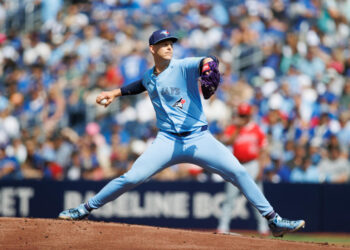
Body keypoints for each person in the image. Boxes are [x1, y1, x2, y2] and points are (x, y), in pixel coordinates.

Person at [58, 29, 305, 237]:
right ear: (152, 49)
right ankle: (83, 209)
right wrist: (114, 93)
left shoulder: (183, 66)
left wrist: (209, 66)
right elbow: (139, 85)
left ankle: (273, 220)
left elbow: (206, 61)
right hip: (167, 141)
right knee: (132, 178)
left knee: (239, 171)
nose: (168, 47)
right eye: (162, 44)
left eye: (170, 43)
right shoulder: (149, 76)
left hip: (199, 139)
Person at [217, 103, 269, 235]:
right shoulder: (233, 128)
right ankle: (223, 226)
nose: (243, 117)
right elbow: (227, 142)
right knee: (229, 198)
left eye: (245, 115)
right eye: (241, 115)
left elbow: (263, 150)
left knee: (257, 197)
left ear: (249, 115)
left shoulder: (256, 129)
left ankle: (263, 228)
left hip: (253, 164)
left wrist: (261, 168)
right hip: (236, 164)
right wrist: (238, 129)